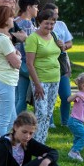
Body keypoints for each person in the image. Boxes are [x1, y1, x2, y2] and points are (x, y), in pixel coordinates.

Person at [24, 8, 60, 143]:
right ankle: (34, 141)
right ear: (39, 22)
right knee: (41, 113)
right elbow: (29, 64)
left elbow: (55, 53)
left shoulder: (54, 35)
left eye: (52, 23)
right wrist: (37, 85)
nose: (49, 26)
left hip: (55, 78)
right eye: (47, 23)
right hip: (41, 80)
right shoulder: (33, 38)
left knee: (48, 113)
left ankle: (41, 140)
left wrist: (61, 46)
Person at [0, 5, 22, 136]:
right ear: (5, 19)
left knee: (12, 120)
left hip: (2, 81)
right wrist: (18, 56)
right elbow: (17, 64)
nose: (13, 19)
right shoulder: (3, 39)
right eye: (11, 16)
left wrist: (15, 55)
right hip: (5, 82)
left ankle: (9, 145)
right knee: (4, 120)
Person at [14, 0, 39, 113]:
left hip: (16, 62)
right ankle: (15, 123)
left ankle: (13, 122)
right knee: (23, 99)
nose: (37, 10)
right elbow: (29, 47)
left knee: (18, 97)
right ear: (29, 7)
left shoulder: (15, 21)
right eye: (36, 7)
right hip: (26, 64)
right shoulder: (27, 24)